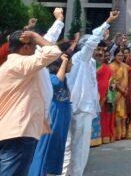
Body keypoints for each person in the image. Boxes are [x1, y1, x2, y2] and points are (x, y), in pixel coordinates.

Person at [60, 10, 118, 176]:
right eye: (97, 48)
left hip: (83, 108)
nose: (99, 51)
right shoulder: (80, 58)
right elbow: (91, 42)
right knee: (74, 147)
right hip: (77, 108)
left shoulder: (90, 62)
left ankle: (73, 173)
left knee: (79, 148)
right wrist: (108, 21)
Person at [0, 30, 61, 176]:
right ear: (26, 47)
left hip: (10, 130)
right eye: (34, 45)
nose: (36, 49)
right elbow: (54, 52)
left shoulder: (8, 66)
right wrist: (35, 36)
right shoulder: (21, 64)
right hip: (18, 131)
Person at [27, 53, 72, 176]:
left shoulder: (63, 78)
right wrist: (64, 62)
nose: (72, 65)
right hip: (53, 114)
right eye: (70, 62)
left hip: (62, 115)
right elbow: (57, 83)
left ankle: (47, 171)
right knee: (45, 145)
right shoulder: (50, 77)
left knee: (56, 145)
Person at [108, 50, 130, 141]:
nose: (120, 57)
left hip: (123, 92)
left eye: (122, 55)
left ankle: (122, 134)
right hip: (115, 92)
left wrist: (125, 89)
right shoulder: (111, 66)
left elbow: (129, 74)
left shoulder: (124, 66)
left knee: (122, 113)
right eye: (118, 55)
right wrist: (122, 90)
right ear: (114, 56)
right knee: (116, 113)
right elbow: (112, 81)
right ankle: (116, 134)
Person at [95, 48, 114, 145]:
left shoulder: (107, 69)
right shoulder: (89, 67)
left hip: (105, 95)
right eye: (97, 55)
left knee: (104, 116)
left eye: (101, 56)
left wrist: (110, 91)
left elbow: (112, 81)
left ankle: (104, 136)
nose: (99, 58)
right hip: (92, 95)